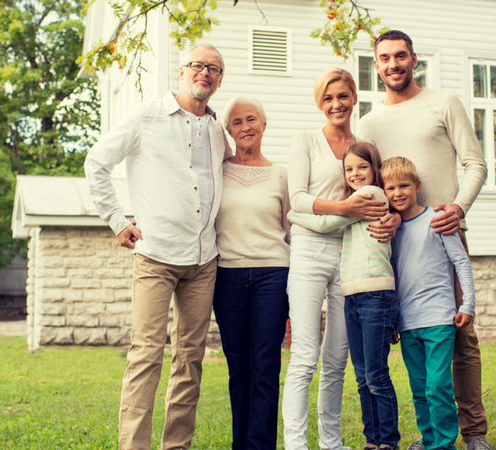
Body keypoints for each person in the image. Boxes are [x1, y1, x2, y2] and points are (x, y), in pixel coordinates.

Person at [83, 44, 229, 450]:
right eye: (198, 65)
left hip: (204, 259)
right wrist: (116, 220)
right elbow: (96, 162)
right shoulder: (146, 117)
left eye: (214, 69)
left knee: (190, 359)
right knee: (146, 356)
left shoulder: (219, 130)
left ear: (219, 79)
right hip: (156, 255)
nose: (205, 73)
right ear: (182, 71)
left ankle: (176, 446)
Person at [357, 30, 492, 450]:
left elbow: (475, 163)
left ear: (414, 59)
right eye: (384, 58)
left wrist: (459, 207)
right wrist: (385, 221)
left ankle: (473, 433)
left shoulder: (443, 103)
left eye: (401, 56)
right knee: (412, 337)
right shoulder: (369, 122)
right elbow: (370, 184)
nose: (393, 64)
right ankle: (430, 433)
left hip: (444, 232)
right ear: (375, 65)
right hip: (397, 243)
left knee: (460, 336)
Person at [284, 67, 397, 450]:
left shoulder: (363, 147)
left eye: (343, 96)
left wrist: (392, 216)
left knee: (336, 360)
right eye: (328, 97)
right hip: (309, 253)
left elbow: (382, 193)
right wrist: (346, 207)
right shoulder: (306, 140)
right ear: (320, 102)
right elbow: (296, 198)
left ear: (354, 98)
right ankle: (297, 444)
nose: (337, 104)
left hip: (350, 255)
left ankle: (331, 442)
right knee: (304, 356)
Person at [213, 95, 290, 450]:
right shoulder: (216, 172)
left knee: (265, 366)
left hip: (272, 276)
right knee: (238, 366)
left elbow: (291, 231)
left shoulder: (281, 175)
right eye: (237, 122)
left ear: (263, 124)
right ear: (228, 130)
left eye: (251, 119)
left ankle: (261, 445)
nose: (245, 127)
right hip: (227, 276)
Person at [383, 156, 477, 450]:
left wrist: (468, 305)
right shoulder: (391, 231)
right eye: (390, 188)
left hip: (439, 319)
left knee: (438, 386)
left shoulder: (437, 219)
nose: (397, 193)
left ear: (417, 186)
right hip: (408, 323)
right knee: (420, 389)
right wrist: (392, 320)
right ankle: (430, 439)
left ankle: (443, 445)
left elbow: (460, 262)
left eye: (404, 186)